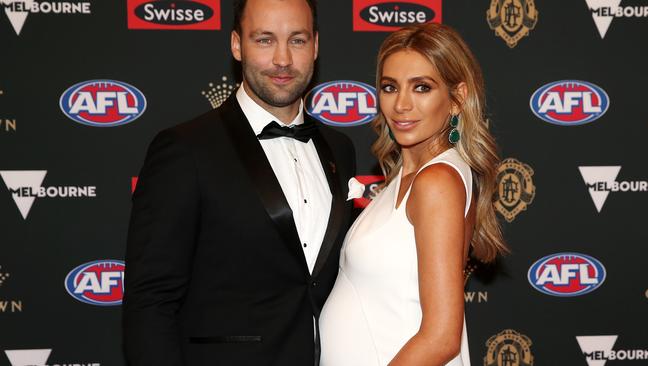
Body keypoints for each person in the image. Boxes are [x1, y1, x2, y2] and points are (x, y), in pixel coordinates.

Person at [122, 0, 355, 365]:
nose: (282, 59)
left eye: (297, 40)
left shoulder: (339, 149)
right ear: (236, 44)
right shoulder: (186, 149)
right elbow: (150, 300)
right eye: (264, 40)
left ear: (316, 46)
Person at [319, 23, 508, 366]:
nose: (401, 105)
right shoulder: (408, 179)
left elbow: (441, 338)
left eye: (422, 87)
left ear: (457, 98)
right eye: (390, 87)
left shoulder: (437, 180)